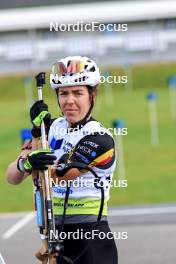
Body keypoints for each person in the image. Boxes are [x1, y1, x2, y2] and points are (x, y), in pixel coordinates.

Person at [6, 56, 118, 264]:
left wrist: (35, 156)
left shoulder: (99, 139)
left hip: (89, 239)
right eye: (63, 93)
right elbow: (12, 176)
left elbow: (56, 177)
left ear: (92, 96)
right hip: (54, 235)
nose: (69, 101)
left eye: (78, 93)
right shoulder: (50, 128)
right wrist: (30, 151)